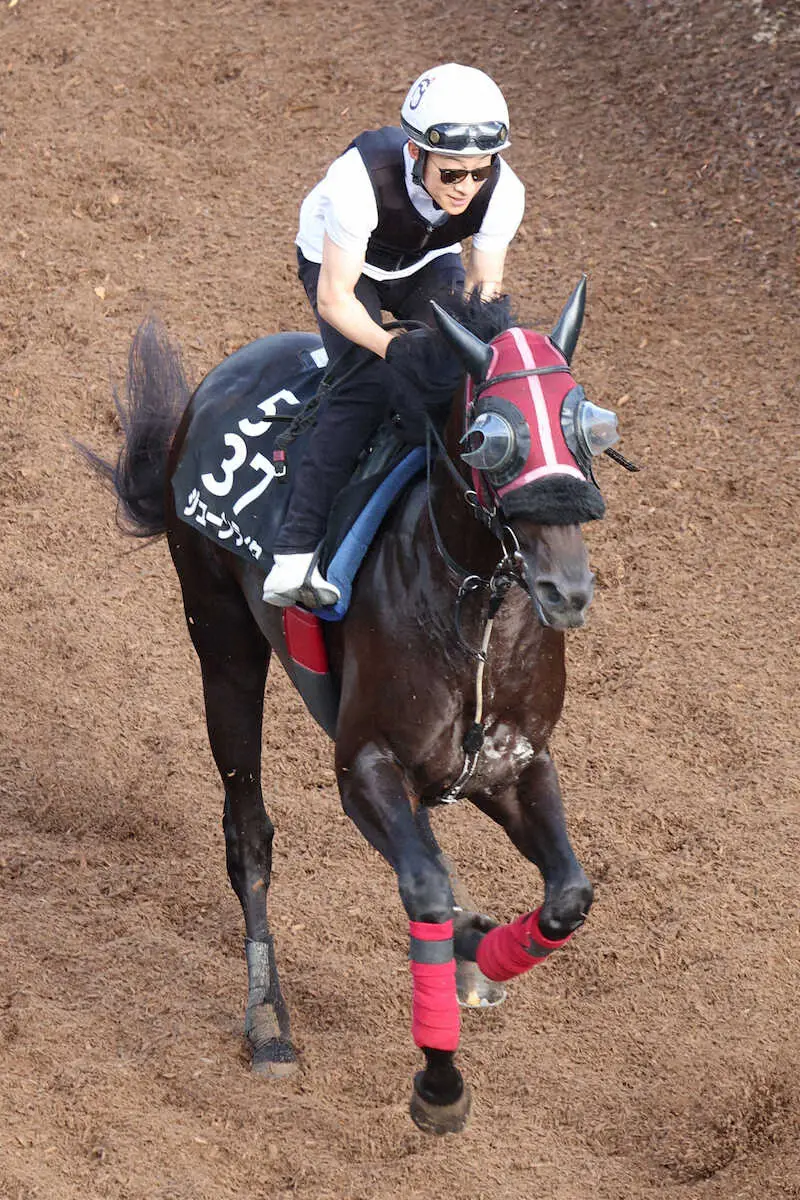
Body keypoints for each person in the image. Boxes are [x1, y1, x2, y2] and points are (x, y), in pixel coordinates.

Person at [262, 62, 525, 607]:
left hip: (426, 261)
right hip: (341, 264)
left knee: (457, 375)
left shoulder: (504, 192)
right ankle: (293, 556)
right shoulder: (357, 181)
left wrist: (470, 356)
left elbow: (484, 291)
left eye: (479, 173)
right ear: (415, 153)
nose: (467, 189)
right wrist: (392, 347)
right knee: (367, 383)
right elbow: (336, 297)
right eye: (452, 174)